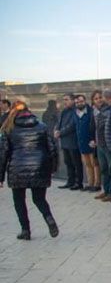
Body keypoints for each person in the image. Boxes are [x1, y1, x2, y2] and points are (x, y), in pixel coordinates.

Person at [0, 101, 59, 240]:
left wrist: (0, 177)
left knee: (19, 200)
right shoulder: (42, 126)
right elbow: (52, 149)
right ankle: (49, 218)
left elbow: (3, 154)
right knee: (39, 199)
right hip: (39, 167)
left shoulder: (9, 128)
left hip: (17, 169)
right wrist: (53, 168)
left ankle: (25, 230)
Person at [54, 93, 81, 189]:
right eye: (64, 100)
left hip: (73, 141)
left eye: (67, 99)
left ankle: (78, 183)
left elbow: (72, 125)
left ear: (73, 100)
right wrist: (56, 130)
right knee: (68, 162)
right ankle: (70, 181)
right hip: (64, 141)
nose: (64, 102)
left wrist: (60, 132)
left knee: (76, 163)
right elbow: (59, 123)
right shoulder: (64, 111)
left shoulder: (76, 110)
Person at [75, 93, 99, 191]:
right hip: (82, 142)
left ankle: (97, 184)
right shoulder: (75, 113)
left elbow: (94, 127)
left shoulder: (91, 112)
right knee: (87, 164)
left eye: (81, 101)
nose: (79, 103)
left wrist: (94, 139)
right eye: (77, 102)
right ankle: (90, 183)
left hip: (91, 142)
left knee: (95, 164)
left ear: (85, 101)